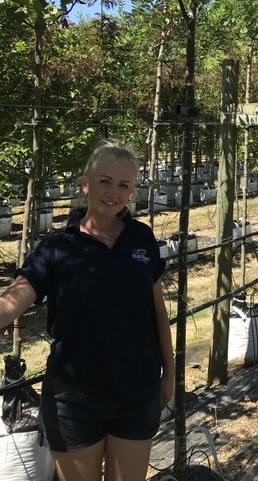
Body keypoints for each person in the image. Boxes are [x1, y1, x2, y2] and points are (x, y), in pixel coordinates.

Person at [0, 141, 174, 481]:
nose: (113, 193)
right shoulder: (57, 248)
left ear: (132, 190)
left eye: (124, 185)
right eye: (104, 181)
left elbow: (157, 313)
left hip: (136, 390)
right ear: (85, 184)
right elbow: (13, 300)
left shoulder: (142, 239)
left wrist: (169, 371)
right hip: (73, 399)